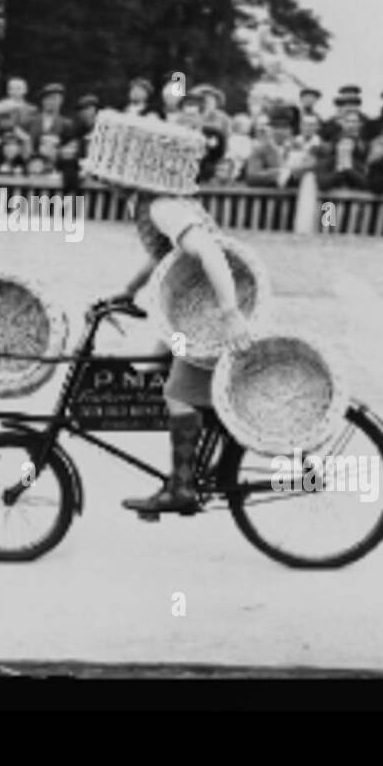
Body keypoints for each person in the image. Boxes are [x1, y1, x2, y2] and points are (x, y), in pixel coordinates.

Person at [81, 111, 255, 515]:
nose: (102, 181)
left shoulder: (164, 207)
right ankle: (205, 440)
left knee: (175, 392)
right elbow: (162, 258)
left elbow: (209, 250)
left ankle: (182, 485)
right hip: (192, 306)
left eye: (107, 173)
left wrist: (230, 313)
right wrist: (125, 292)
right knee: (154, 364)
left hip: (209, 310)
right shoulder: (146, 203)